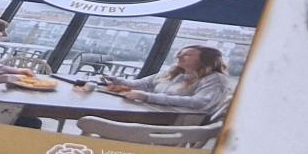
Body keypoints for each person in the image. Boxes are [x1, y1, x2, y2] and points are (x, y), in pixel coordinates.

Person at [97, 44, 234, 120]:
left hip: (175, 124)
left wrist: (148, 97)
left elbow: (200, 103)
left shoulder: (216, 79)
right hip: (151, 114)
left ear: (206, 60)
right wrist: (115, 80)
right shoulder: (174, 71)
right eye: (180, 53)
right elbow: (143, 84)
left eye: (187, 54)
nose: (178, 56)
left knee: (103, 121)